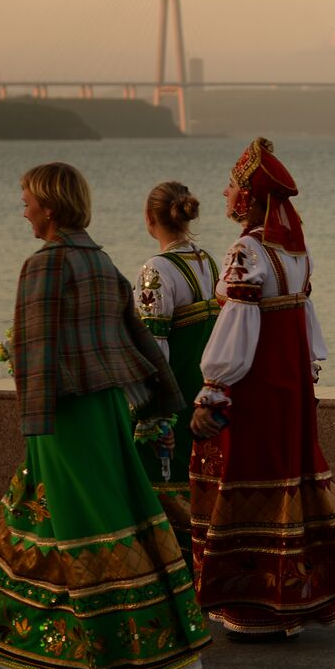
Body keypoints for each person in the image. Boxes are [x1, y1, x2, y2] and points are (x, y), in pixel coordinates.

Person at [0, 162, 210, 669]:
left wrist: (33, 429)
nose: (23, 209)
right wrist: (159, 405)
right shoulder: (102, 262)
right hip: (106, 409)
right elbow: (133, 339)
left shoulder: (45, 266)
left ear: (50, 207)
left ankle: (167, 654)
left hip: (63, 416)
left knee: (89, 531)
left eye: (27, 200)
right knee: (44, 517)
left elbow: (36, 353)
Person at [188, 138, 335, 636]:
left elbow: (237, 327)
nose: (225, 193)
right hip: (290, 387)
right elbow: (305, 322)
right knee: (288, 477)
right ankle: (292, 597)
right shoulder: (295, 251)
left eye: (231, 186)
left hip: (254, 389)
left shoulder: (246, 251)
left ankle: (254, 604)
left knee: (246, 478)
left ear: (248, 198)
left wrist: (213, 388)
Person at [132, 181, 222, 566]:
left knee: (158, 484)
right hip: (204, 393)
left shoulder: (156, 271)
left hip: (172, 397)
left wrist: (149, 412)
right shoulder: (210, 262)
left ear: (150, 219)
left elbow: (153, 347)